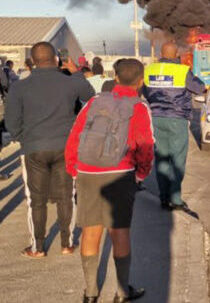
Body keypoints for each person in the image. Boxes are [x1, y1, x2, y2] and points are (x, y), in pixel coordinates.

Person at [64, 59, 152, 303]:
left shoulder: (93, 102)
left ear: (115, 78)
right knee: (119, 231)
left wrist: (74, 168)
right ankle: (122, 291)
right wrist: (140, 174)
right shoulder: (140, 107)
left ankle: (90, 292)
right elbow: (145, 145)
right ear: (140, 81)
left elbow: (75, 135)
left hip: (87, 172)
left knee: (91, 230)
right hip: (121, 173)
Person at [4, 42, 95, 258]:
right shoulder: (70, 82)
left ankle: (38, 247)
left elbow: (12, 120)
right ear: (56, 58)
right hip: (65, 147)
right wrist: (75, 71)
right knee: (66, 196)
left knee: (36, 199)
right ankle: (67, 243)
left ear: (32, 61)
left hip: (34, 147)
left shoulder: (19, 86)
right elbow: (90, 94)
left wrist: (22, 139)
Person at [142, 42, 205, 214]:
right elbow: (200, 88)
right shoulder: (182, 71)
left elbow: (146, 93)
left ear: (161, 53)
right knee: (177, 159)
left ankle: (163, 197)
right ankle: (175, 199)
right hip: (177, 119)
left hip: (155, 118)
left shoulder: (150, 70)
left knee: (161, 158)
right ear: (176, 53)